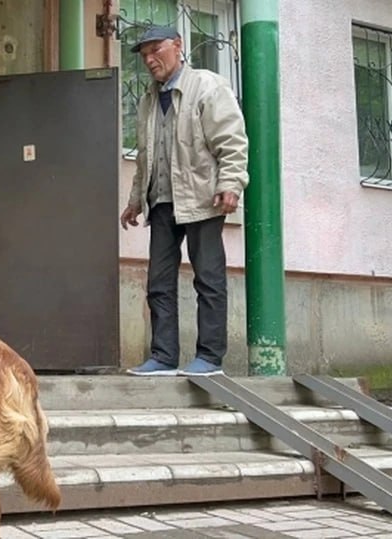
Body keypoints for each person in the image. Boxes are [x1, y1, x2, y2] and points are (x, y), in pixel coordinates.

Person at [121, 25, 249, 376]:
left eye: (155, 50)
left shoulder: (207, 86)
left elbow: (232, 141)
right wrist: (135, 200)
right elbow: (146, 156)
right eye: (144, 54)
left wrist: (231, 184)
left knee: (208, 277)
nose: (149, 59)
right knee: (158, 282)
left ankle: (209, 358)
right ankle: (162, 357)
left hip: (202, 197)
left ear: (177, 46)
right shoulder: (149, 100)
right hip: (161, 201)